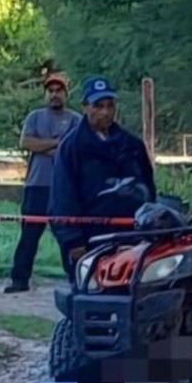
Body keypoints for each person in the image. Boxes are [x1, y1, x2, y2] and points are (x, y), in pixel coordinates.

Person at [49, 76, 157, 281]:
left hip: (130, 235)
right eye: (98, 106)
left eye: (110, 105)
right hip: (89, 238)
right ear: (84, 107)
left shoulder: (132, 145)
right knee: (89, 298)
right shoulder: (71, 147)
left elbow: (148, 188)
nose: (105, 112)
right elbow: (62, 197)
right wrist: (72, 240)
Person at [4, 73, 81, 293]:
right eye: (51, 91)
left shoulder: (76, 119)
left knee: (69, 235)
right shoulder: (34, 116)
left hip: (65, 187)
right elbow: (27, 142)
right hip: (36, 185)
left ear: (66, 94)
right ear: (45, 94)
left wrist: (44, 146)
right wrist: (57, 144)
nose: (54, 95)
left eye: (59, 91)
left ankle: (76, 279)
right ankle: (19, 280)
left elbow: (72, 150)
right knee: (29, 234)